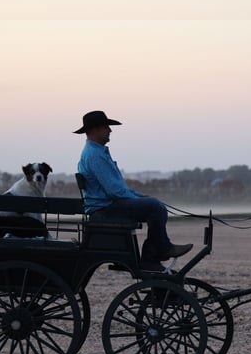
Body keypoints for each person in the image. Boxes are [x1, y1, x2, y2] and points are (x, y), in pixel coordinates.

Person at [74, 110, 192, 268]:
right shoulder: (95, 155)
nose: (110, 130)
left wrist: (140, 197)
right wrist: (142, 199)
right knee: (155, 207)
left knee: (153, 204)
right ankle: (157, 253)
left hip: (106, 206)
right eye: (106, 127)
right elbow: (115, 191)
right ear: (95, 130)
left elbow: (119, 189)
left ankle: (154, 255)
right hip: (105, 210)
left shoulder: (96, 152)